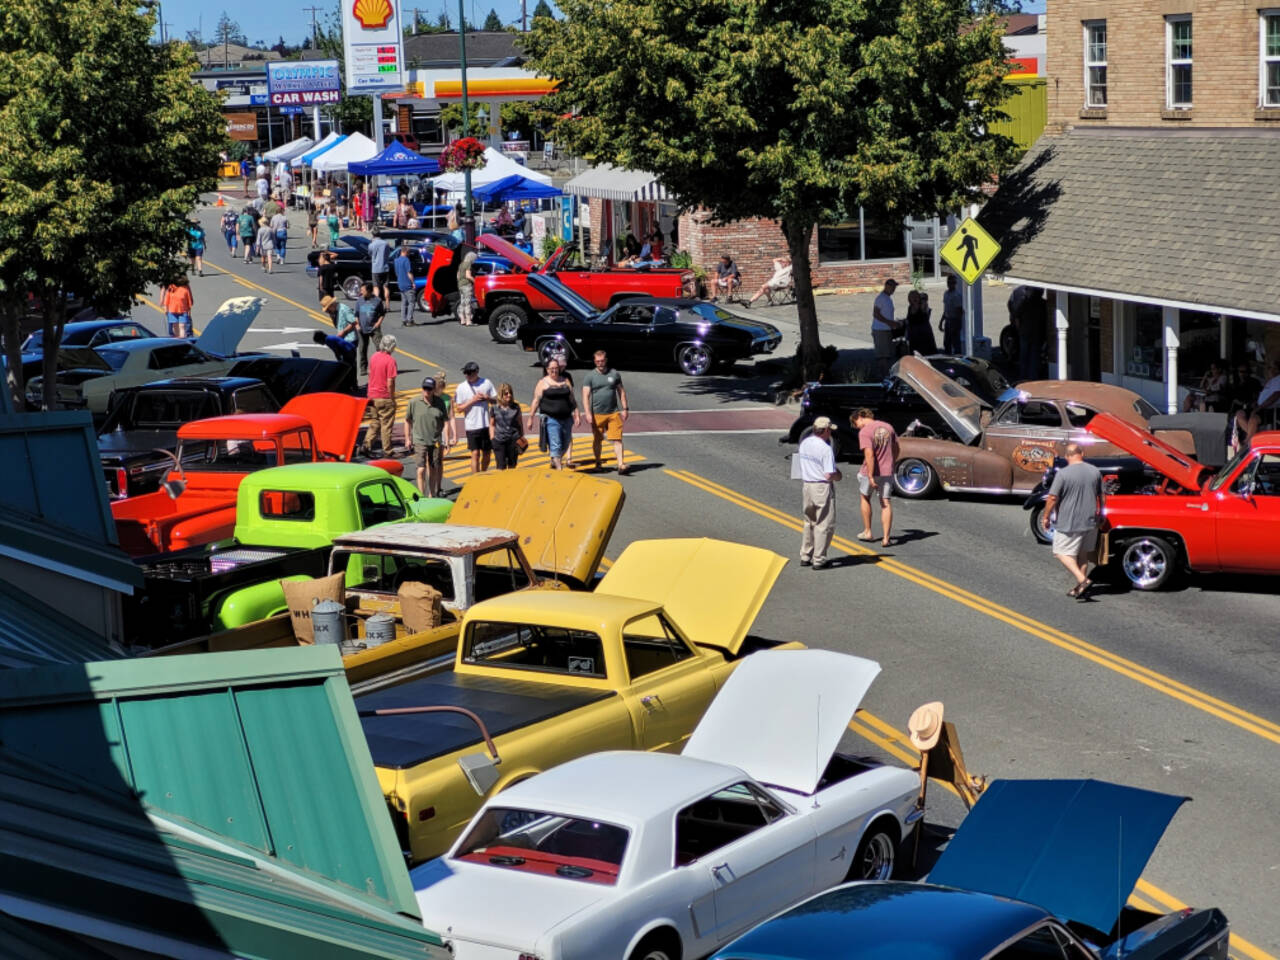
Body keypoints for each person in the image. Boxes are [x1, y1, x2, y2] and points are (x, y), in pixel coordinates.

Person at [1043, 442, 1103, 598]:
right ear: (1082, 453)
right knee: (1082, 555)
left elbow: (1052, 497)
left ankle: (1083, 580)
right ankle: (1080, 589)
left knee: (1060, 552)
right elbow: (1102, 496)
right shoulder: (1095, 471)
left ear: (1066, 456)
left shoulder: (1063, 474)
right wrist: (1101, 514)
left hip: (1069, 521)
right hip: (1090, 521)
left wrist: (1046, 517)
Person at [796, 416, 841, 569]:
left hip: (807, 485)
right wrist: (838, 475)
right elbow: (829, 474)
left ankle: (805, 554)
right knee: (824, 523)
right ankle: (819, 558)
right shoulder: (825, 448)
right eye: (830, 431)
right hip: (821, 487)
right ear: (826, 430)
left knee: (809, 521)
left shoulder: (805, 443)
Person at [852, 408, 899, 547]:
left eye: (856, 423)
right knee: (885, 502)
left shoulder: (865, 432)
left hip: (870, 471)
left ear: (860, 417)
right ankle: (886, 538)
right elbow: (896, 447)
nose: (857, 426)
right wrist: (892, 462)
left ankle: (868, 531)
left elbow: (869, 455)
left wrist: (871, 475)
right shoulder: (888, 427)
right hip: (887, 471)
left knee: (865, 497)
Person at [581, 350, 629, 474]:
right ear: (594, 361)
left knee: (617, 439)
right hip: (597, 413)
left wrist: (625, 408)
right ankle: (598, 462)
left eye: (602, 361)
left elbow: (621, 391)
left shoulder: (614, 374)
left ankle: (620, 464)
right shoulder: (590, 376)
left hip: (613, 412)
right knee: (598, 439)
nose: (600, 363)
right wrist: (587, 413)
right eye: (597, 361)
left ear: (606, 360)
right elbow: (585, 395)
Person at [528, 356, 580, 470]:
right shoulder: (543, 383)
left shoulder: (565, 381)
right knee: (556, 443)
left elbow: (572, 399)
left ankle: (554, 459)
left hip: (566, 418)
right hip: (551, 418)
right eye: (552, 369)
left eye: (556, 368)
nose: (554, 371)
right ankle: (558, 467)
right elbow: (536, 400)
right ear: (547, 369)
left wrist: (577, 414)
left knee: (566, 442)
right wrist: (531, 418)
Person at [405, 376, 450, 495]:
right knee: (421, 469)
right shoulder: (413, 402)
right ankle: (421, 496)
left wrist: (446, 440)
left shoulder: (439, 402)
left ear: (433, 389)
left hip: (435, 441)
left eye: (429, 389)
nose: (427, 391)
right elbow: (408, 421)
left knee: (433, 468)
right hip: (419, 440)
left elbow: (445, 421)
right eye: (425, 388)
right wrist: (408, 438)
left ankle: (432, 495)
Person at [457, 361, 498, 472]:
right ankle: (475, 477)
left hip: (485, 424)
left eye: (470, 373)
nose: (467, 375)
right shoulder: (461, 387)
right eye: (465, 373)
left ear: (476, 372)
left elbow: (496, 400)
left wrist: (487, 397)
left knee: (487, 453)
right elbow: (459, 408)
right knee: (475, 453)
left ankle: (483, 474)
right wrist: (473, 400)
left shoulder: (486, 383)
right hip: (471, 425)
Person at [362, 336, 398, 457]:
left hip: (372, 395)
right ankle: (387, 450)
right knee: (386, 424)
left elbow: (370, 374)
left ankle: (366, 445)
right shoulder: (390, 361)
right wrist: (392, 398)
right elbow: (390, 382)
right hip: (384, 396)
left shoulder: (374, 357)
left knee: (375, 422)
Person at [491, 382, 525, 470]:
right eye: (506, 393)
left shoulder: (516, 407)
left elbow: (520, 422)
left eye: (510, 393)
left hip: (513, 439)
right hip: (499, 440)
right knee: (500, 466)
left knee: (512, 465)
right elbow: (492, 424)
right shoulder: (494, 408)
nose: (509, 395)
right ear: (501, 394)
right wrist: (492, 438)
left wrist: (521, 437)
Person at [353, 282, 385, 375]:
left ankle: (381, 367)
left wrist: (378, 323)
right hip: (362, 329)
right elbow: (356, 314)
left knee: (380, 348)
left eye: (363, 290)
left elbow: (382, 314)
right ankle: (363, 368)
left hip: (374, 329)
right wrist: (357, 324)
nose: (361, 292)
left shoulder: (377, 301)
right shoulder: (359, 301)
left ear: (369, 291)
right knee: (362, 349)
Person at [871, 278, 900, 377]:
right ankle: (883, 376)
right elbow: (876, 314)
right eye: (892, 287)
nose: (894, 289)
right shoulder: (880, 298)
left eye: (894, 287)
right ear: (887, 286)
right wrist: (890, 323)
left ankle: (886, 375)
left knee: (887, 355)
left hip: (886, 329)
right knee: (882, 356)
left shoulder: (888, 298)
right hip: (880, 330)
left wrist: (893, 323)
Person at [1017, 287, 1048, 381]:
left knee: (1024, 357)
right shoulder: (1043, 304)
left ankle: (1023, 378)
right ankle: (1032, 379)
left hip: (1025, 333)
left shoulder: (1026, 302)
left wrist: (1020, 329)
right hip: (1037, 335)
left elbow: (1017, 317)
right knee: (1034, 358)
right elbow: (1047, 320)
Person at [904, 289, 937, 356]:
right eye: (911, 297)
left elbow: (924, 307)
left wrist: (920, 301)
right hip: (914, 334)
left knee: (926, 353)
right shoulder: (910, 307)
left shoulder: (922, 305)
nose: (913, 299)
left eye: (915, 297)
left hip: (923, 333)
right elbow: (909, 319)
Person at [940, 274, 964, 355]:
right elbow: (945, 308)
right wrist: (941, 321)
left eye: (953, 282)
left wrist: (957, 324)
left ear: (955, 283)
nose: (951, 284)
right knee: (947, 342)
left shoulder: (957, 295)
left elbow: (960, 311)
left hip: (955, 320)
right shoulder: (946, 294)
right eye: (949, 282)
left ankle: (958, 358)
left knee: (956, 343)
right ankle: (948, 358)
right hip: (947, 320)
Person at [394, 245, 416, 326]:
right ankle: (409, 320)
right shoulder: (406, 260)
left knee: (403, 302)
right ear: (405, 252)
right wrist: (413, 282)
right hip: (407, 284)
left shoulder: (396, 261)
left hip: (401, 284)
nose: (409, 254)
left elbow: (396, 273)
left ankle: (403, 319)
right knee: (411, 302)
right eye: (409, 252)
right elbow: (409, 273)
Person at [456, 244, 478, 326]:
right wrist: (475, 281)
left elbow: (458, 275)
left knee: (462, 302)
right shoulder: (468, 264)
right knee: (468, 303)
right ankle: (469, 321)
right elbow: (468, 276)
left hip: (460, 285)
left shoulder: (461, 264)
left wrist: (460, 282)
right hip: (466, 285)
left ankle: (462, 320)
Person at [368, 227, 391, 303]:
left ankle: (377, 304)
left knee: (376, 287)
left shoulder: (371, 245)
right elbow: (388, 254)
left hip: (376, 268)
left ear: (373, 235)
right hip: (385, 267)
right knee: (385, 287)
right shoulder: (386, 244)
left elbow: (370, 254)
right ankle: (387, 305)